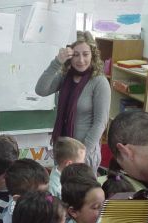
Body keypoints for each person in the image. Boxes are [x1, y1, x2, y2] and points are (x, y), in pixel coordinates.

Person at [35, 31, 111, 175]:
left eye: (85, 54)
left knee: (82, 194)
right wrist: (57, 62)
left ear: (92, 54)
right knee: (62, 192)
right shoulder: (65, 77)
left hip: (84, 154)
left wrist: (81, 154)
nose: (81, 60)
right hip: (62, 150)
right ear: (69, 56)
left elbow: (100, 123)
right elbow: (41, 90)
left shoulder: (99, 82)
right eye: (76, 54)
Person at [2, 158, 50, 223]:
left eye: (47, 192)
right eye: (40, 195)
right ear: (19, 199)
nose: (47, 199)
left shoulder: (30, 208)